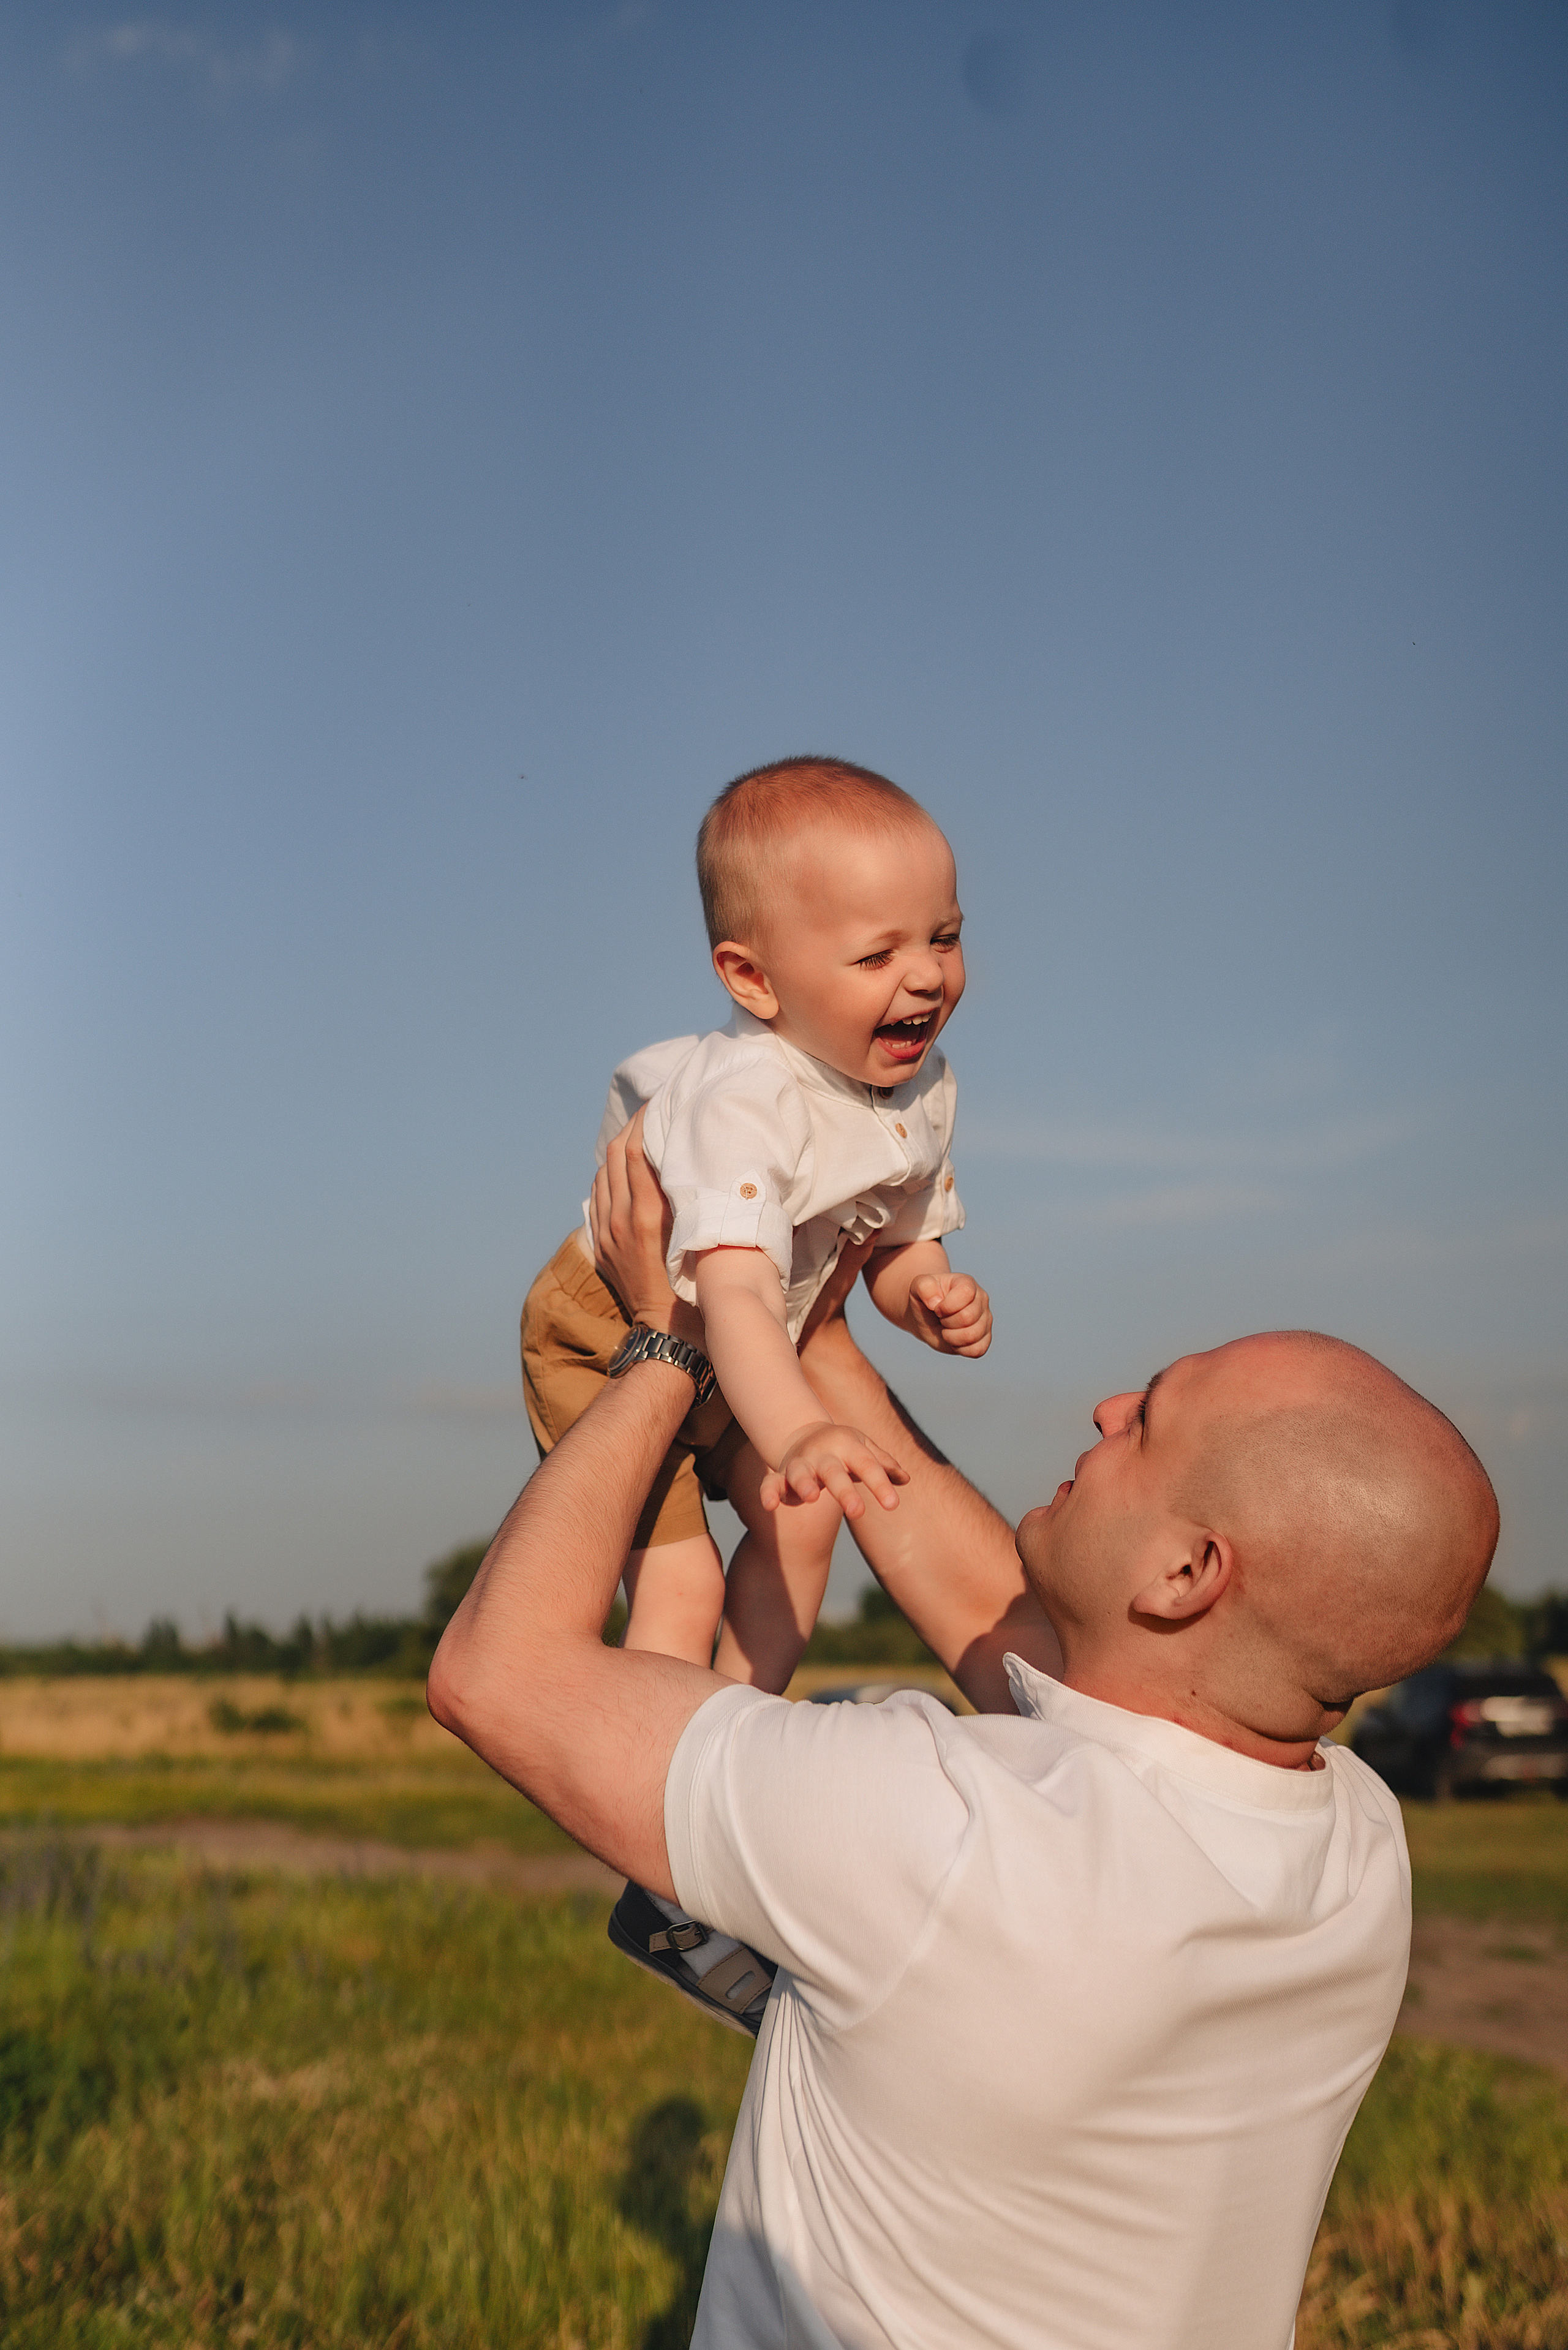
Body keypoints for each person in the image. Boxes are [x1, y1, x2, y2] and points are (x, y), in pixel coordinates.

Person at [430, 1124, 1499, 2350]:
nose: (1104, 1405)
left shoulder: (942, 1830)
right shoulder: (1356, 1852)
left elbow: (495, 1671)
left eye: (1145, 1419)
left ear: (1188, 1567)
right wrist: (798, 1307)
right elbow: (1027, 1626)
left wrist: (670, 1337)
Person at [521, 753, 990, 1703]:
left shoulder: (922, 1087)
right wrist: (803, 1428)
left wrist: (925, 1296)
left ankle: (742, 1724)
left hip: (755, 1345)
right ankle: (650, 1778)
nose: (927, 977)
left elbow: (896, 1244)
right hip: (612, 1328)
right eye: (877, 956)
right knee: (683, 1583)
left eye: (944, 938)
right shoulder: (747, 1096)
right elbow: (729, 1291)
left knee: (807, 1518)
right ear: (753, 979)